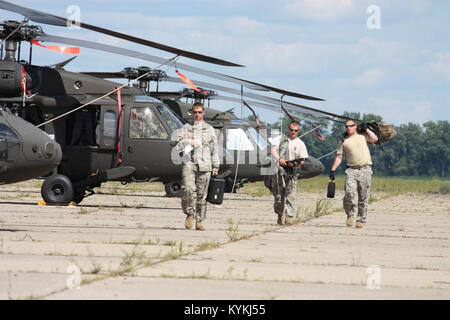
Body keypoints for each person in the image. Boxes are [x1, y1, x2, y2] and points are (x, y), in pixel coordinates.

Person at [177, 102, 219, 231]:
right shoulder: (186, 128)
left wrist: (215, 166)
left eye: (199, 112)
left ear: (203, 113)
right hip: (190, 163)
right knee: (188, 189)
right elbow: (178, 144)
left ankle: (199, 220)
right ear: (192, 113)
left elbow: (214, 149)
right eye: (195, 112)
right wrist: (189, 141)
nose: (197, 114)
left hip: (205, 165)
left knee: (202, 195)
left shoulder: (210, 129)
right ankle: (190, 213)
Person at [329, 120, 379, 228]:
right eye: (346, 126)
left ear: (355, 126)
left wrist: (366, 129)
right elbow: (339, 157)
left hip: (365, 169)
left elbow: (375, 139)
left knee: (363, 197)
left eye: (351, 126)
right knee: (349, 193)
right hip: (351, 170)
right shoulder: (343, 141)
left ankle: (361, 219)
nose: (348, 128)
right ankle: (350, 214)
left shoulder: (363, 137)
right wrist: (332, 170)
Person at [271, 120, 308, 225]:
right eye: (291, 130)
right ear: (288, 129)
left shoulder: (300, 143)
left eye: (295, 130)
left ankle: (289, 217)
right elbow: (273, 150)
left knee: (290, 195)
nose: (293, 132)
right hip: (279, 170)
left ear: (298, 131)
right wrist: (280, 159)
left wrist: (294, 164)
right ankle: (280, 214)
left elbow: (302, 160)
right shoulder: (281, 139)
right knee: (279, 196)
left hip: (292, 172)